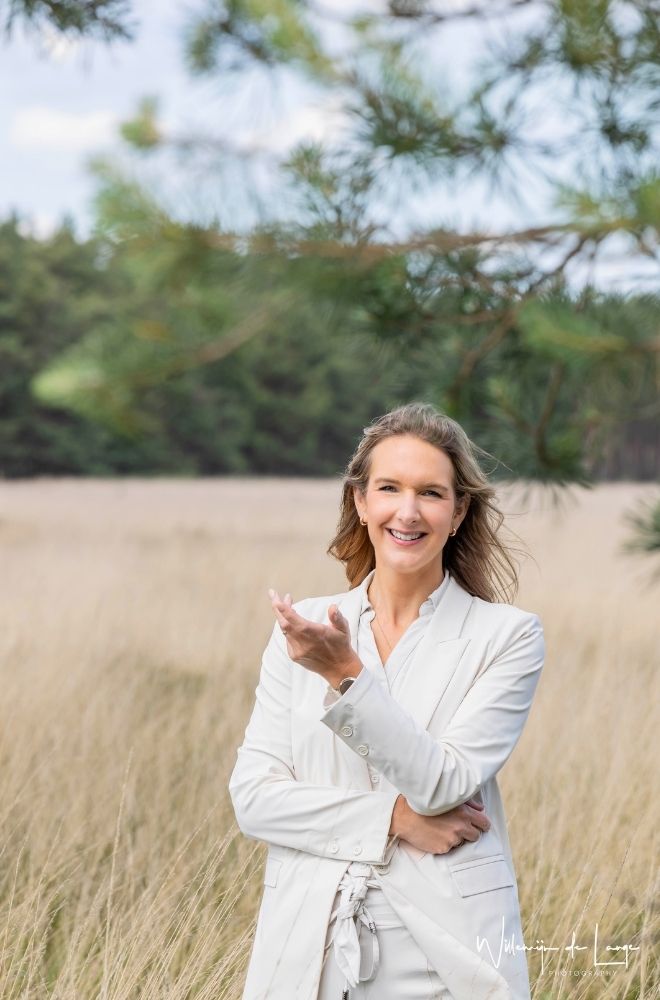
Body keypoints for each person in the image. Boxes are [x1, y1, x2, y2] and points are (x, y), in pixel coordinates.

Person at [229, 401, 545, 1000]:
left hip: (446, 957)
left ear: (458, 512)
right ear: (360, 502)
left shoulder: (507, 636)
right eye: (389, 488)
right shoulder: (300, 632)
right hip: (307, 949)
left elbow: (443, 783)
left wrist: (346, 675)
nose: (407, 511)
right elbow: (254, 801)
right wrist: (393, 822)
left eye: (430, 492)